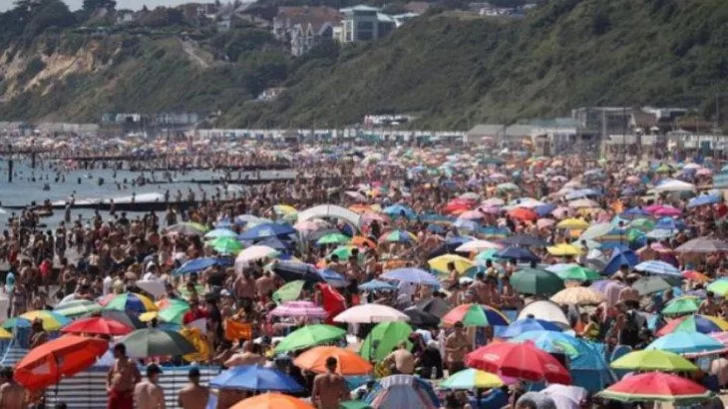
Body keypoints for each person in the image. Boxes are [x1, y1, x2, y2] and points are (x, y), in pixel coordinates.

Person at [107, 343, 141, 409]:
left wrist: (131, 391)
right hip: (114, 391)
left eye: (114, 351)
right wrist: (108, 387)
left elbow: (138, 377)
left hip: (125, 393)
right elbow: (109, 375)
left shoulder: (130, 363)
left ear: (119, 351)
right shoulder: (115, 362)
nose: (113, 353)